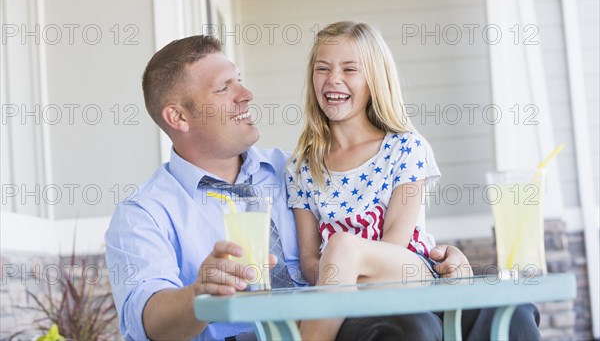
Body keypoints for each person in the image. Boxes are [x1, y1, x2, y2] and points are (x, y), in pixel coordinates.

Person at [105, 34, 540, 341]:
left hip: (341, 322)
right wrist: (198, 294)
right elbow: (149, 321)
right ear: (178, 118)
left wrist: (440, 262)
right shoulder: (144, 214)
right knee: (408, 328)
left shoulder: (297, 166)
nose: (247, 94)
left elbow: (379, 231)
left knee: (510, 310)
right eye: (225, 88)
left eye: (240, 79)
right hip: (253, 337)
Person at [287, 21, 443, 340]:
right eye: (323, 68)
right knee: (340, 251)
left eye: (349, 69)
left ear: (373, 80)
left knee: (343, 245)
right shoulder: (303, 165)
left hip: (409, 272)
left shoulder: (405, 148)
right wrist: (338, 278)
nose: (334, 80)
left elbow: (395, 243)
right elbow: (309, 260)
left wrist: (343, 270)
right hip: (341, 288)